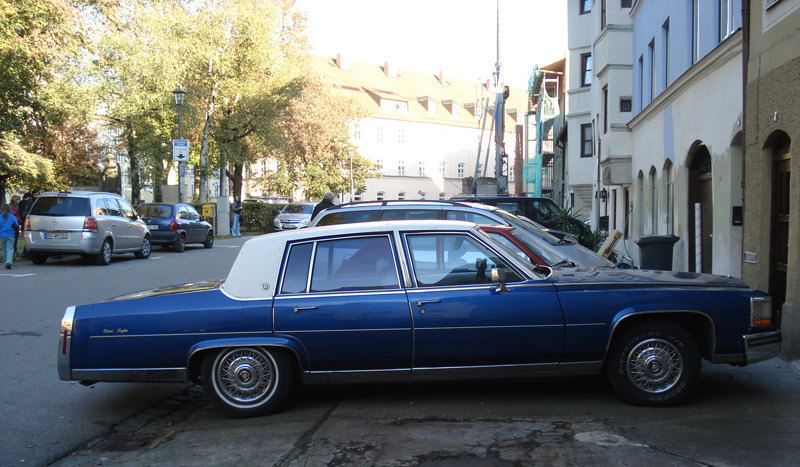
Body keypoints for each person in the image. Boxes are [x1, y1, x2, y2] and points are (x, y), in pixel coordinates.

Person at [1, 203, 19, 269]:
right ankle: (8, 262)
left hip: (2, 235)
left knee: (4, 249)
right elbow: (16, 224)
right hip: (11, 235)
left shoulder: (0, 216)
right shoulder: (11, 216)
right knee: (10, 249)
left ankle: (5, 260)